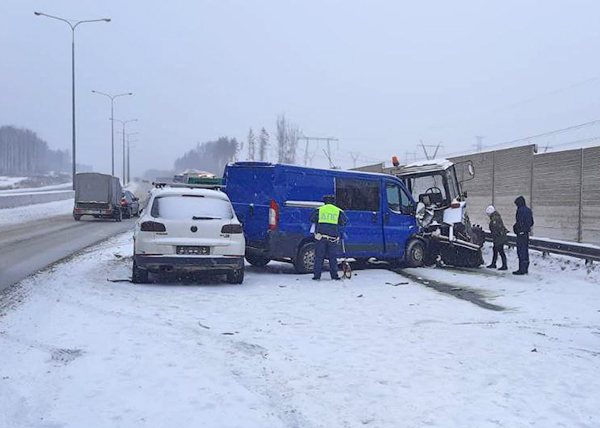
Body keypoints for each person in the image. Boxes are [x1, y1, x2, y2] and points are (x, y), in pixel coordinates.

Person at [310, 195, 348, 280]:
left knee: (319, 257)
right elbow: (344, 222)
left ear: (325, 202)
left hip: (320, 237)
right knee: (332, 258)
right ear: (333, 202)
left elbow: (312, 219)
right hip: (332, 238)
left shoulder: (319, 210)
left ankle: (317, 276)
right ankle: (334, 276)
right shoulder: (338, 211)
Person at [513, 195, 534, 275]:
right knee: (525, 250)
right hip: (526, 233)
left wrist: (517, 229)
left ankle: (521, 269)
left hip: (521, 234)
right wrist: (527, 228)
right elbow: (532, 222)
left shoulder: (520, 210)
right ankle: (525, 268)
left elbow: (519, 222)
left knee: (520, 251)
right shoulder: (529, 210)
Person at [485, 205, 508, 271]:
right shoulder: (496, 217)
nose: (488, 215)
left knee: (500, 251)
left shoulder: (495, 218)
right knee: (495, 250)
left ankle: (504, 265)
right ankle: (494, 263)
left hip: (499, 238)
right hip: (499, 237)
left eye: (488, 214)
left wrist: (495, 235)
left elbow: (496, 228)